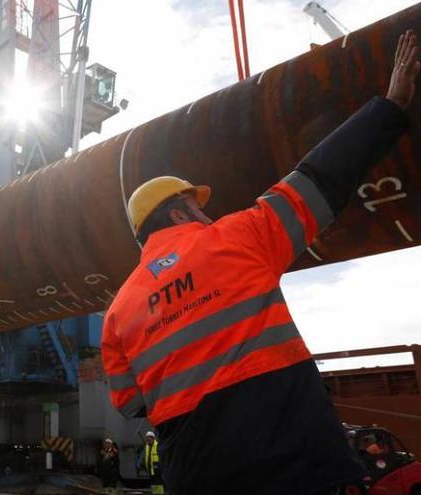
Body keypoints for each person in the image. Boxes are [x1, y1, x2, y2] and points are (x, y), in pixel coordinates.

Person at [101, 30, 419, 495]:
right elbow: (321, 177)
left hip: (197, 476)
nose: (206, 212)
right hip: (295, 464)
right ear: (178, 210)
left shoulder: (118, 313)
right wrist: (390, 106)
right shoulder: (238, 237)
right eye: (198, 204)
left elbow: (130, 404)